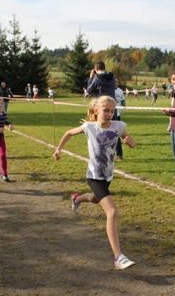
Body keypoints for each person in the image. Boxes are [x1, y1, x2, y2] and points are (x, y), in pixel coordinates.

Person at [53, 96, 137, 270]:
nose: (109, 114)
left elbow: (130, 140)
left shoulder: (119, 126)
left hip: (107, 176)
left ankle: (76, 199)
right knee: (112, 212)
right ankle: (118, 257)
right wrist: (59, 149)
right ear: (96, 110)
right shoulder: (89, 127)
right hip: (93, 176)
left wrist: (130, 143)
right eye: (106, 110)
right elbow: (69, 133)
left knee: (95, 199)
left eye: (112, 111)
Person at [114, 80, 126, 161]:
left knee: (116, 135)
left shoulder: (120, 91)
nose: (115, 83)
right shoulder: (109, 89)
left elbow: (123, 101)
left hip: (117, 115)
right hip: (108, 115)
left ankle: (119, 155)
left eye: (116, 82)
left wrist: (122, 108)